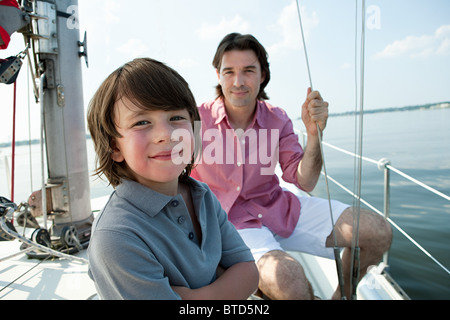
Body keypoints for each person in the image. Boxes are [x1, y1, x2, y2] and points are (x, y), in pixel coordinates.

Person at [191, 33, 392, 300]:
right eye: (229, 72)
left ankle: (343, 296)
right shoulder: (195, 119)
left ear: (263, 75)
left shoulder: (278, 118)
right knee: (290, 281)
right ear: (218, 75)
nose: (238, 81)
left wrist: (314, 135)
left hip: (277, 208)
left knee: (377, 232)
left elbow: (305, 181)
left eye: (248, 70)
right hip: (231, 226)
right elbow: (173, 174)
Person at [86, 57, 258, 300]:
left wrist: (192, 297)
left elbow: (249, 272)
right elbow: (238, 277)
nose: (165, 135)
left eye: (176, 118)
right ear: (114, 146)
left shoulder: (202, 195)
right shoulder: (116, 235)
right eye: (142, 122)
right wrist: (225, 281)